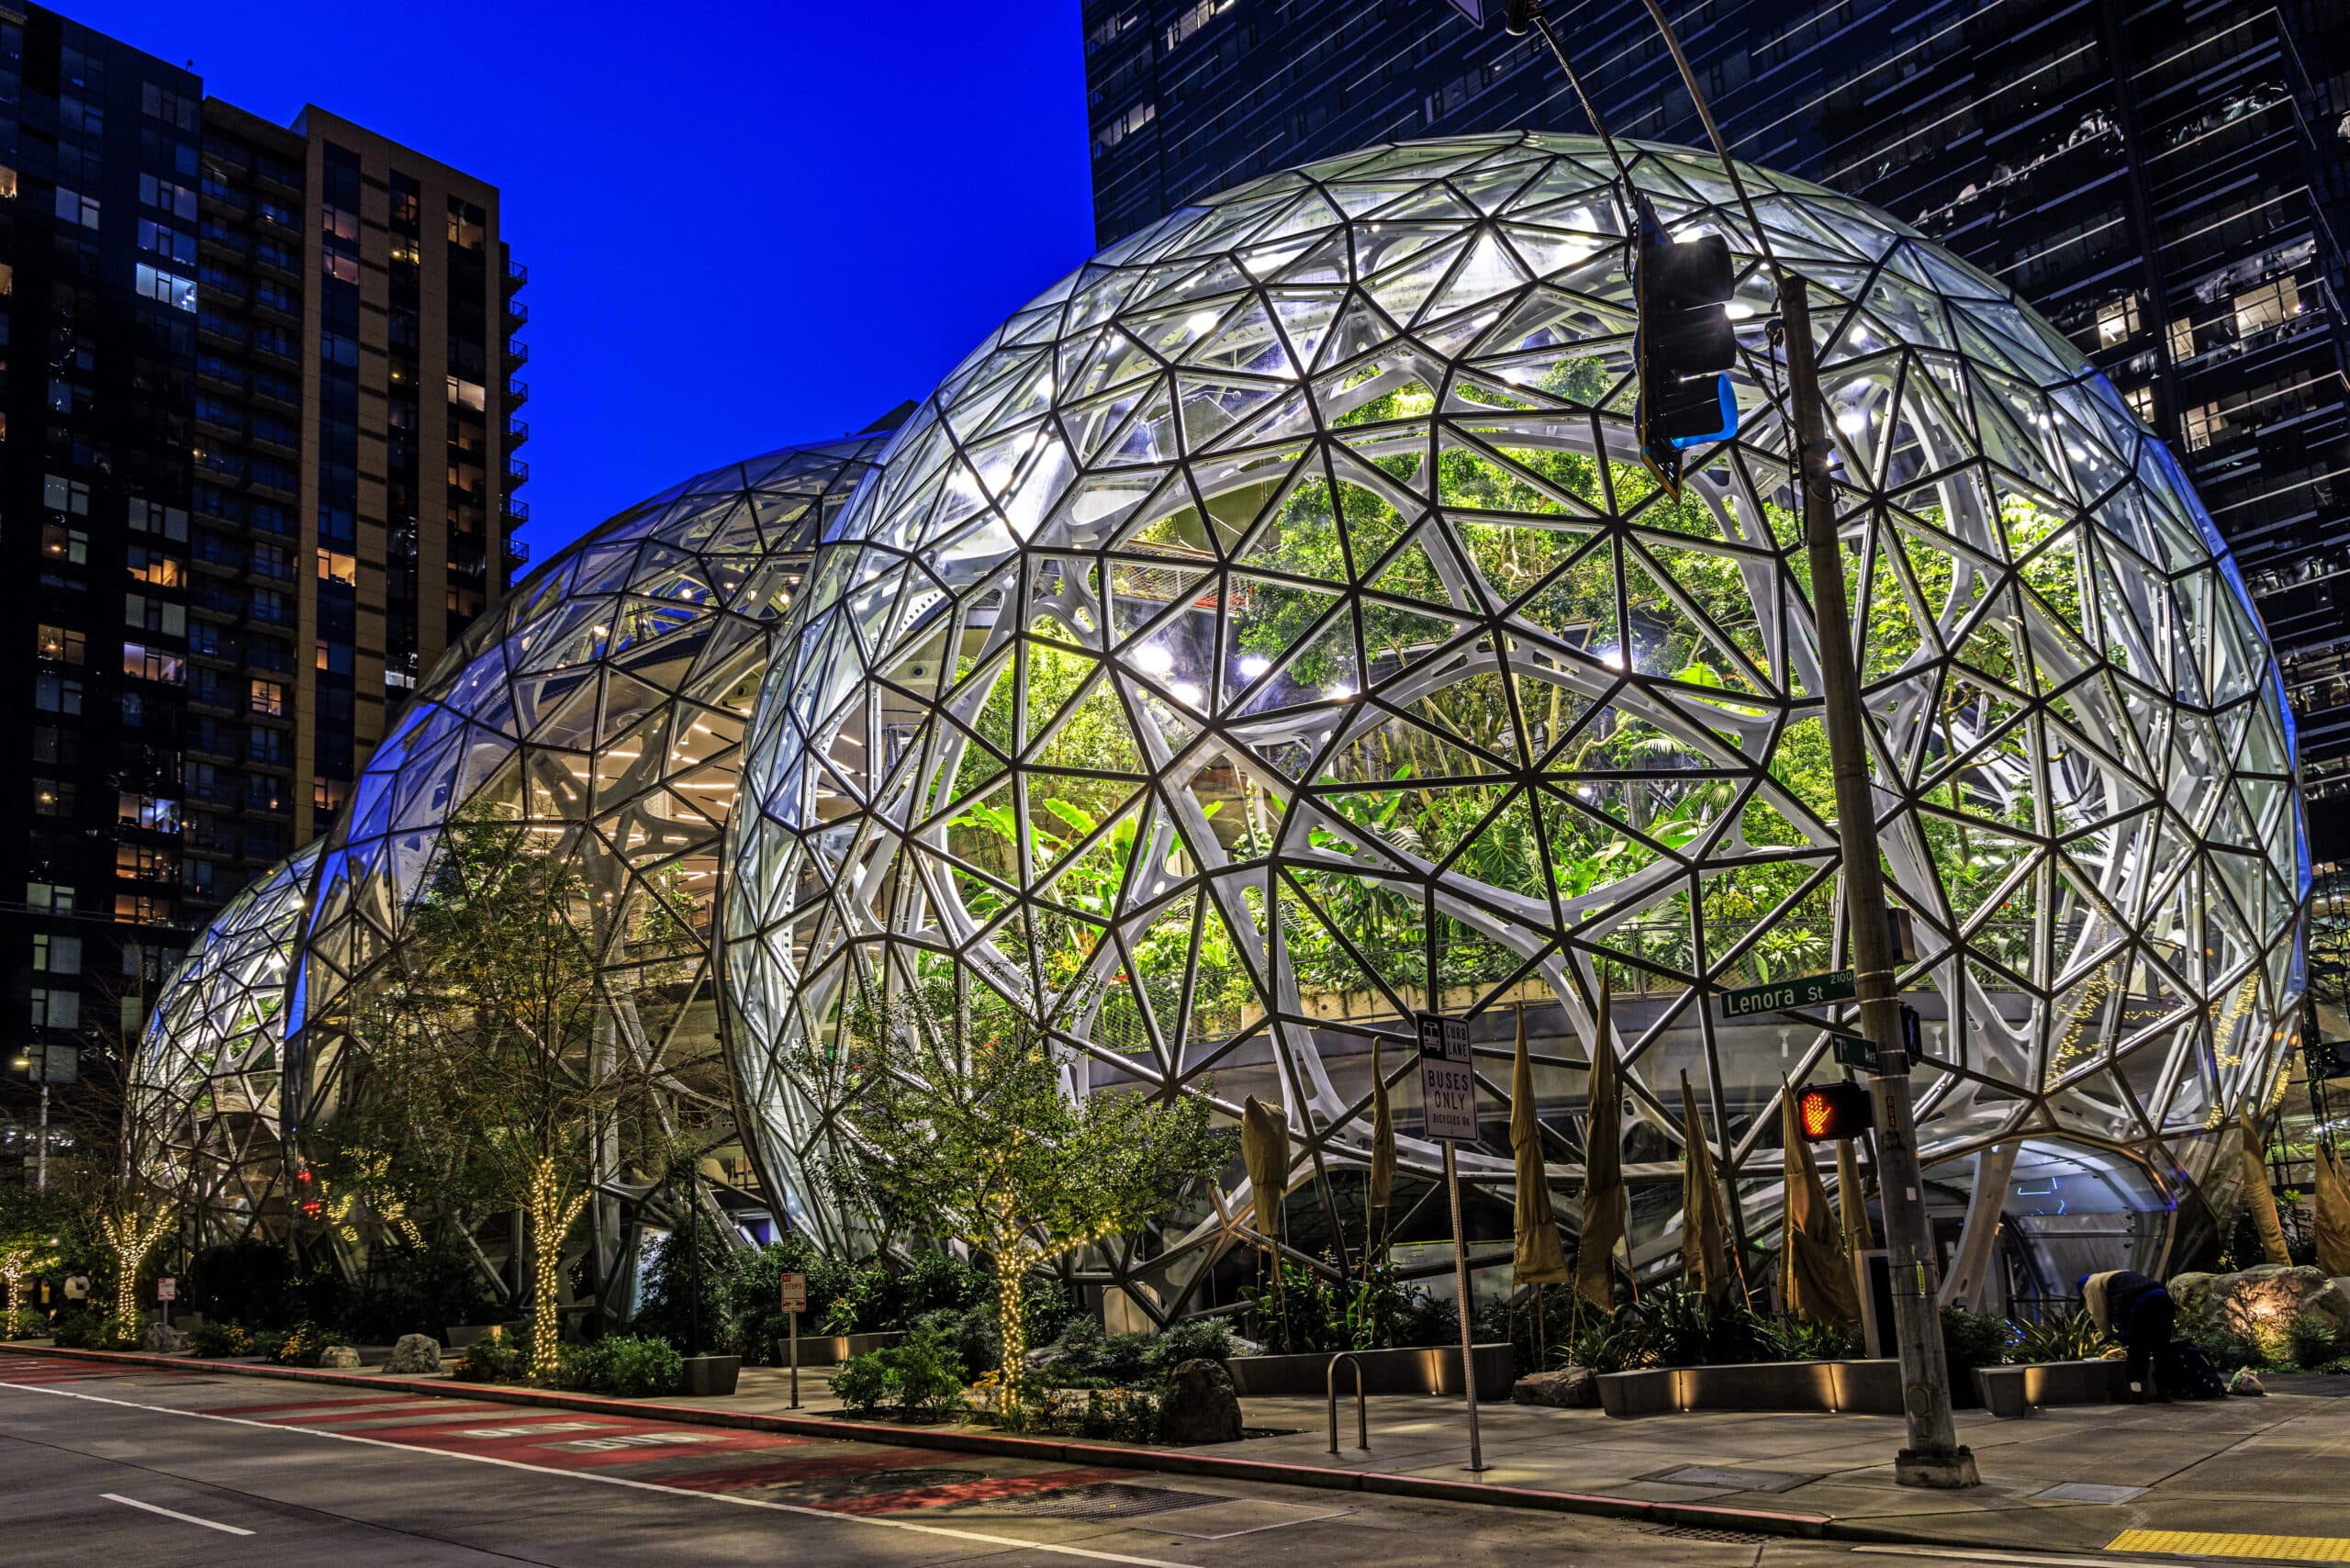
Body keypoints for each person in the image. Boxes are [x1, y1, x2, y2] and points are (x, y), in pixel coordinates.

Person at [2081, 1270, 2175, 1402]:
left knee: (2138, 1349)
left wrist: (2108, 1335)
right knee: (2162, 1348)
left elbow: (2099, 1315)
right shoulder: (2118, 1274)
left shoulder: (2090, 1284)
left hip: (2141, 1305)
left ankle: (2137, 1393)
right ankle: (2163, 1392)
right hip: (2163, 1299)